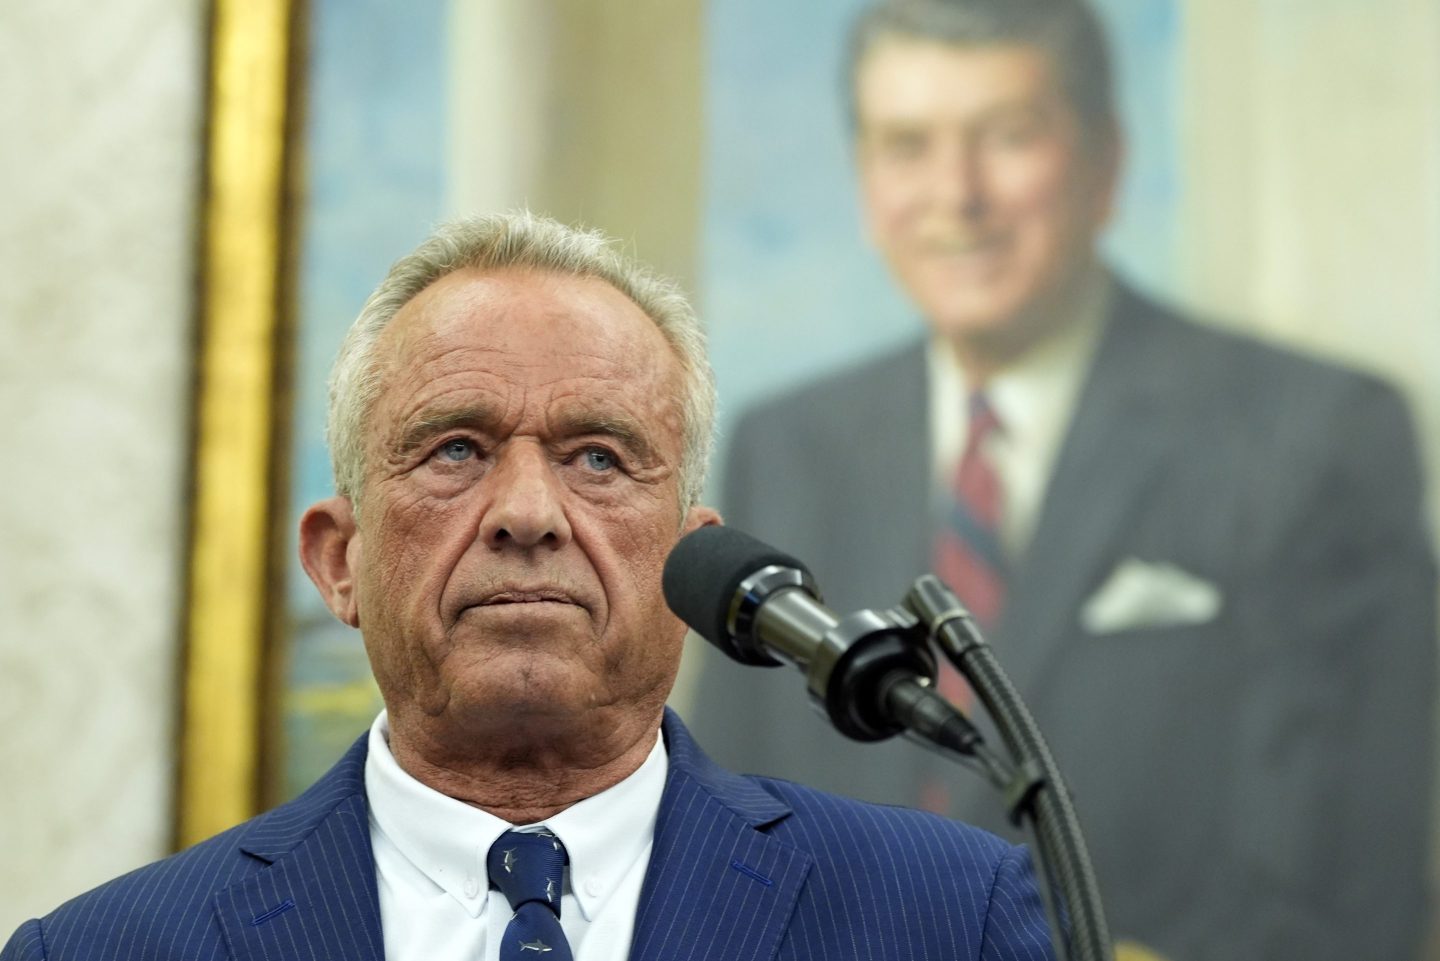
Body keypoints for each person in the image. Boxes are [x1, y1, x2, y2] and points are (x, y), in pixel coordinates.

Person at [1, 211, 1057, 961]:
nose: (528, 512)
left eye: (599, 456)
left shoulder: (945, 918)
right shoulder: (102, 949)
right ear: (336, 559)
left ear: (690, 568)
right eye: (455, 449)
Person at [686, 2, 1438, 960]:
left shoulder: (1314, 435)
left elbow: (1349, 900)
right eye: (908, 144)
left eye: (1008, 137)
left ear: (1105, 163)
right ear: (865, 176)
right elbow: (732, 840)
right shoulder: (786, 446)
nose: (957, 196)